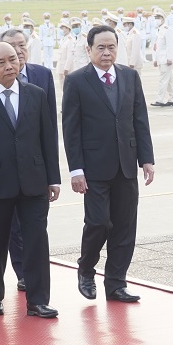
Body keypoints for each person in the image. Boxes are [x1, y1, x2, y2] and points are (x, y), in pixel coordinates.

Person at [0, 41, 61, 318]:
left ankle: (38, 301)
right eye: (2, 62)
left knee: (36, 243)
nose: (9, 66)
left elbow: (47, 139)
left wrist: (53, 178)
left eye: (14, 60)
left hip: (33, 182)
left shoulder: (36, 94)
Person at [62, 24, 155, 303]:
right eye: (100, 47)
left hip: (126, 164)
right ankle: (86, 267)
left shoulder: (130, 76)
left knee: (125, 227)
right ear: (89, 50)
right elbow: (71, 128)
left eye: (111, 47)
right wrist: (76, 170)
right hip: (94, 168)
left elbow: (140, 119)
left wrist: (146, 159)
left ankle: (116, 283)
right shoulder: (77, 81)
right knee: (99, 222)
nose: (106, 52)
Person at [151, 9, 173, 107]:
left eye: (158, 18)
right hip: (161, 59)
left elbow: (170, 45)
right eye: (155, 18)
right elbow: (157, 47)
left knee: (163, 80)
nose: (156, 20)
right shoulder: (160, 30)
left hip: (166, 60)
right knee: (169, 80)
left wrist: (170, 58)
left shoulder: (167, 29)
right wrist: (155, 59)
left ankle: (160, 100)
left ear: (163, 19)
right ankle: (172, 98)